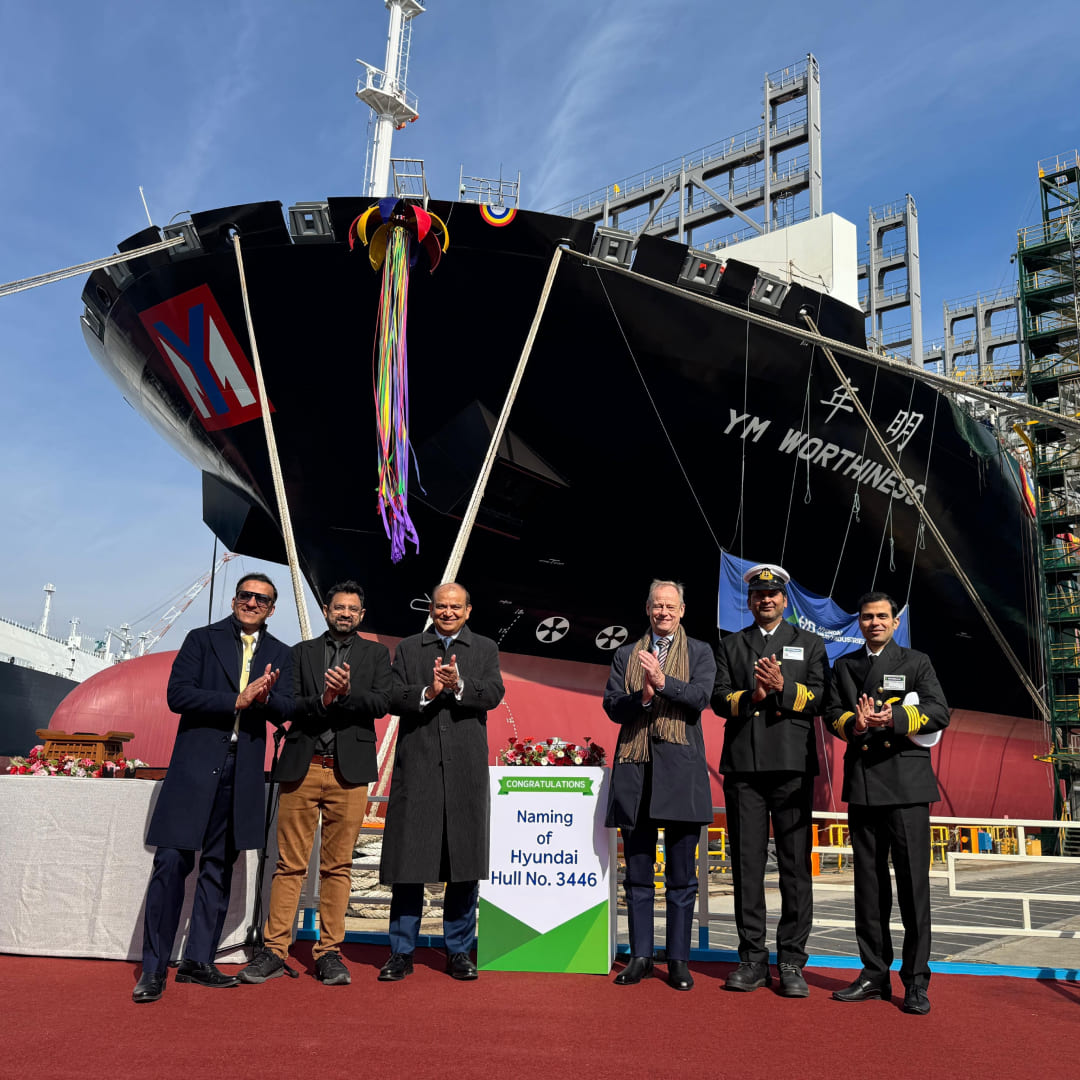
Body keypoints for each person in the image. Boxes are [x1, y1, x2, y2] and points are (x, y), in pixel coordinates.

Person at [133, 574, 293, 1004]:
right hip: (195, 766)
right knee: (170, 863)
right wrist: (236, 701)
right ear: (235, 599)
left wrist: (264, 699)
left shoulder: (281, 654)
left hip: (242, 772)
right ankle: (153, 968)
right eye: (246, 595)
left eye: (262, 599)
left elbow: (289, 708)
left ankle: (198, 961)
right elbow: (177, 695)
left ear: (272, 609)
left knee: (220, 867)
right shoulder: (200, 639)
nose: (252, 603)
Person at [240, 581, 391, 987]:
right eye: (338, 607)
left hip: (350, 772)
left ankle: (328, 953)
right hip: (302, 766)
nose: (344, 613)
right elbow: (287, 704)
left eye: (352, 609)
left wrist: (346, 694)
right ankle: (274, 950)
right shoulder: (300, 653)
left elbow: (383, 702)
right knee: (289, 865)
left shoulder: (376, 654)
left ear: (361, 615)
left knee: (338, 867)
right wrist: (323, 700)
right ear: (326, 610)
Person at [824, 591, 949, 1015]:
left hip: (908, 788)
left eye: (882, 616)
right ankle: (873, 973)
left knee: (913, 888)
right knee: (869, 888)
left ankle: (915, 981)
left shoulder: (916, 662)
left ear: (895, 622)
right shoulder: (845, 666)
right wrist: (854, 724)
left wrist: (893, 720)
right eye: (866, 617)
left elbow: (939, 711)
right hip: (863, 786)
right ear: (857, 623)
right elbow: (832, 712)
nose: (874, 622)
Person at [377, 582, 504, 981]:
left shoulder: (484, 649)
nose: (447, 612)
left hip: (465, 772)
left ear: (468, 611)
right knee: (409, 865)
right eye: (441, 606)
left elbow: (495, 693)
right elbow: (393, 697)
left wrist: (460, 686)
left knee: (463, 866)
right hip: (418, 770)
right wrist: (430, 691)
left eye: (455, 607)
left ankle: (459, 951)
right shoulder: (410, 648)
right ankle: (401, 952)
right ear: (430, 609)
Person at [710, 563, 826, 996]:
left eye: (773, 594)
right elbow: (719, 698)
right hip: (744, 768)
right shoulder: (731, 645)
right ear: (751, 600)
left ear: (783, 598)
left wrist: (783, 688)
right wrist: (754, 696)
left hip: (792, 767)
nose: (766, 600)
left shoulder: (809, 643)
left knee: (796, 867)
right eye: (758, 595)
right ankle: (752, 959)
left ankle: (792, 962)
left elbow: (820, 697)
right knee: (747, 866)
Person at [603, 580, 716, 991]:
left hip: (681, 775)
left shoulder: (701, 652)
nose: (663, 612)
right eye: (657, 606)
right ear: (647, 609)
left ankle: (679, 959)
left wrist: (665, 683)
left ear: (683, 610)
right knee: (636, 876)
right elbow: (613, 706)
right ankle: (641, 957)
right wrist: (645, 697)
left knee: (682, 877)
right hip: (636, 772)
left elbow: (702, 697)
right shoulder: (624, 655)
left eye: (670, 606)